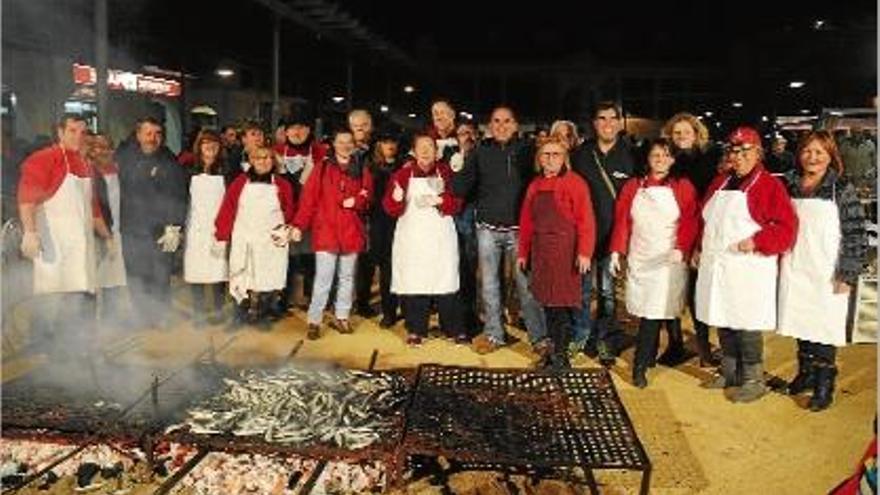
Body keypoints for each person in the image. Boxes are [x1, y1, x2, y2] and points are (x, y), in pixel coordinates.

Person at [695, 126, 798, 403]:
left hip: (748, 268)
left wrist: (759, 240)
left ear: (758, 153)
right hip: (719, 264)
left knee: (746, 322)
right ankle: (730, 370)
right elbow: (705, 220)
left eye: (745, 151)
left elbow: (787, 227)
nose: (738, 157)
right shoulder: (720, 182)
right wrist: (698, 247)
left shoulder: (768, 185)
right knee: (723, 316)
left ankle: (754, 378)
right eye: (734, 151)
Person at [779, 130, 867, 411]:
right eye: (807, 151)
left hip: (827, 271)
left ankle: (824, 382)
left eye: (819, 152)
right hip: (795, 265)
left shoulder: (840, 188)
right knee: (799, 321)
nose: (812, 157)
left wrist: (847, 274)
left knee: (823, 328)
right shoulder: (790, 183)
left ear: (830, 155)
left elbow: (856, 234)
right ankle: (805, 373)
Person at [452, 106, 547, 354]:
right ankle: (494, 334)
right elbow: (460, 188)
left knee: (526, 285)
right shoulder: (480, 152)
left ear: (516, 125)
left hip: (519, 230)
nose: (502, 126)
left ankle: (539, 337)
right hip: (488, 230)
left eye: (507, 121)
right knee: (490, 285)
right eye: (496, 121)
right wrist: (463, 156)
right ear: (489, 126)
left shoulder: (528, 151)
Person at [608, 138, 699, 387]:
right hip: (642, 257)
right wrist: (616, 250)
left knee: (654, 311)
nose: (660, 160)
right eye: (655, 155)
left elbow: (690, 220)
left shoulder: (683, 186)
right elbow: (623, 220)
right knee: (647, 310)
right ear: (647, 159)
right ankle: (647, 358)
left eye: (665, 155)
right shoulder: (633, 186)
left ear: (673, 159)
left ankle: (640, 364)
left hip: (669, 259)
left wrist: (682, 248)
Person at [17, 114, 106, 355]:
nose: (78, 136)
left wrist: (108, 237)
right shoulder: (44, 159)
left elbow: (93, 207)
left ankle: (79, 348)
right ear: (60, 132)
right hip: (53, 245)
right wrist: (30, 232)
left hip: (81, 246)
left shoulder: (85, 165)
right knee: (52, 297)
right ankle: (46, 353)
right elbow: (27, 199)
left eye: (82, 132)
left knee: (84, 296)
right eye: (72, 131)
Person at [571, 101, 641, 365]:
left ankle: (605, 338)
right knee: (583, 291)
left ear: (620, 123)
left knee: (609, 293)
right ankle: (582, 334)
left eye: (613, 118)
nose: (608, 123)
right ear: (594, 123)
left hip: (614, 239)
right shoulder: (581, 155)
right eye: (602, 118)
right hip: (585, 238)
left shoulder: (632, 155)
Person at [517, 136, 594, 370]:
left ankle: (561, 358)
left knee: (561, 306)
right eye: (546, 155)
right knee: (547, 305)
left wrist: (584, 252)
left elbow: (586, 220)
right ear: (539, 159)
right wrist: (523, 252)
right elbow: (527, 221)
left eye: (556, 154)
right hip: (541, 251)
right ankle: (553, 353)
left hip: (566, 250)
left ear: (565, 158)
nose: (550, 159)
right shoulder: (534, 185)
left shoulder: (575, 183)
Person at [291, 129, 373, 339]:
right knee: (323, 278)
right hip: (327, 230)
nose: (345, 145)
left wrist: (357, 201)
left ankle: (342, 316)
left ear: (354, 145)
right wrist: (299, 225)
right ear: (333, 145)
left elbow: (368, 195)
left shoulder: (361, 168)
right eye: (341, 142)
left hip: (350, 230)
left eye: (349, 142)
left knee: (346, 278)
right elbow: (308, 199)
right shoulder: (323, 167)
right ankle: (315, 319)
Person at [383, 134, 464, 345]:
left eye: (430, 147)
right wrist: (397, 199)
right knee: (415, 280)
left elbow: (457, 202)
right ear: (414, 151)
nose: (426, 151)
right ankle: (416, 330)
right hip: (413, 237)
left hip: (440, 236)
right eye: (422, 147)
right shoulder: (402, 175)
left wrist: (440, 200)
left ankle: (453, 329)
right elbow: (390, 209)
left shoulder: (445, 172)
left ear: (436, 151)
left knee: (445, 278)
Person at [660, 112, 722, 366]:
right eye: (677, 133)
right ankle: (675, 344)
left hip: (701, 231)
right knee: (671, 290)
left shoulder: (711, 159)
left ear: (697, 134)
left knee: (698, 294)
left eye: (687, 132)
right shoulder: (666, 160)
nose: (682, 136)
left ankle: (704, 345)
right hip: (670, 233)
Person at [116, 116, 188, 330]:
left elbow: (179, 196)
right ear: (138, 135)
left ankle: (160, 315)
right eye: (148, 133)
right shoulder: (125, 159)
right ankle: (141, 316)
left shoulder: (170, 161)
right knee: (136, 275)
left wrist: (175, 227)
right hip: (131, 229)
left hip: (160, 230)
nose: (153, 138)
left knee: (160, 276)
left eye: (157, 134)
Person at [214, 145, 295, 327]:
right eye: (258, 158)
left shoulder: (282, 185)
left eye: (267, 158)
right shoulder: (240, 182)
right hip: (245, 237)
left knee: (268, 276)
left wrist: (288, 229)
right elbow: (228, 209)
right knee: (241, 276)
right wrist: (221, 234)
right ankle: (238, 315)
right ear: (251, 160)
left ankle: (263, 314)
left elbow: (289, 210)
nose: (263, 161)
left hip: (271, 240)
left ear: (273, 161)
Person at [275, 105, 327, 312]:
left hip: (313, 218)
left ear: (310, 131)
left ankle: (310, 298)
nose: (297, 132)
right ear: (285, 131)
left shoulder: (321, 154)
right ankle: (283, 297)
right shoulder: (275, 153)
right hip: (283, 217)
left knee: (310, 259)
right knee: (284, 260)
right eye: (292, 128)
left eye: (302, 128)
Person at [183, 130, 229, 327]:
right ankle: (199, 313)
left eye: (214, 143)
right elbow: (182, 200)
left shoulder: (226, 171)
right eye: (206, 143)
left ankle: (218, 311)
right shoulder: (188, 171)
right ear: (199, 146)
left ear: (220, 148)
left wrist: (225, 231)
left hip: (218, 228)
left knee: (219, 272)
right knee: (196, 272)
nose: (210, 147)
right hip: (195, 228)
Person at [85, 132, 127, 326]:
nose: (101, 151)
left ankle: (111, 320)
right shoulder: (88, 172)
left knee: (113, 279)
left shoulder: (118, 170)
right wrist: (105, 234)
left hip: (117, 231)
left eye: (106, 147)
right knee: (92, 281)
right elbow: (92, 206)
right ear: (91, 150)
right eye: (97, 147)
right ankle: (88, 326)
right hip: (98, 234)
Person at [364, 126, 403, 328]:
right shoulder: (371, 167)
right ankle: (387, 311)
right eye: (386, 142)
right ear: (379, 144)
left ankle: (401, 308)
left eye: (393, 142)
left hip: (401, 223)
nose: (390, 145)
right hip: (379, 223)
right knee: (383, 267)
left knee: (400, 267)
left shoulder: (404, 165)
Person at [450, 120, 480, 336]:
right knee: (464, 269)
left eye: (470, 132)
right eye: (462, 133)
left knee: (484, 273)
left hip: (482, 217)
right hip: (460, 217)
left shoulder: (483, 155)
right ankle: (464, 317)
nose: (467, 136)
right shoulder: (453, 158)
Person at [348, 109, 378, 317]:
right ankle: (342, 301)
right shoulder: (341, 149)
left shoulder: (376, 151)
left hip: (371, 213)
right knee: (346, 260)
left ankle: (363, 300)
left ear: (371, 126)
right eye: (355, 125)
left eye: (364, 124)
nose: (360, 128)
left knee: (367, 260)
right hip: (347, 212)